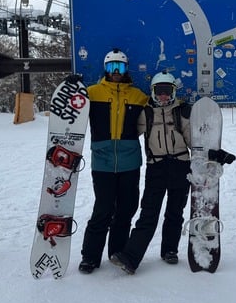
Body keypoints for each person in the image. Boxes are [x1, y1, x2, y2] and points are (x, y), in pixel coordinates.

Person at [109, 72, 193, 274]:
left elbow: (193, 140)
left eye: (167, 91)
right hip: (156, 167)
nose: (163, 96)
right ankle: (130, 257)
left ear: (173, 92)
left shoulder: (182, 112)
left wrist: (210, 154)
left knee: (175, 212)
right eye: (159, 91)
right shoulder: (145, 113)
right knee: (149, 213)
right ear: (153, 93)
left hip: (181, 165)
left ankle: (169, 250)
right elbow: (128, 132)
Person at [78, 48, 149, 274]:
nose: (116, 71)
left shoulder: (138, 96)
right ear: (106, 69)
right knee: (103, 208)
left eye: (120, 67)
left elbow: (157, 113)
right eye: (111, 67)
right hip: (103, 160)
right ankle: (90, 257)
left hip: (130, 160)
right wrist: (72, 88)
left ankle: (117, 252)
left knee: (127, 208)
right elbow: (72, 109)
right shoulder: (92, 93)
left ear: (126, 69)